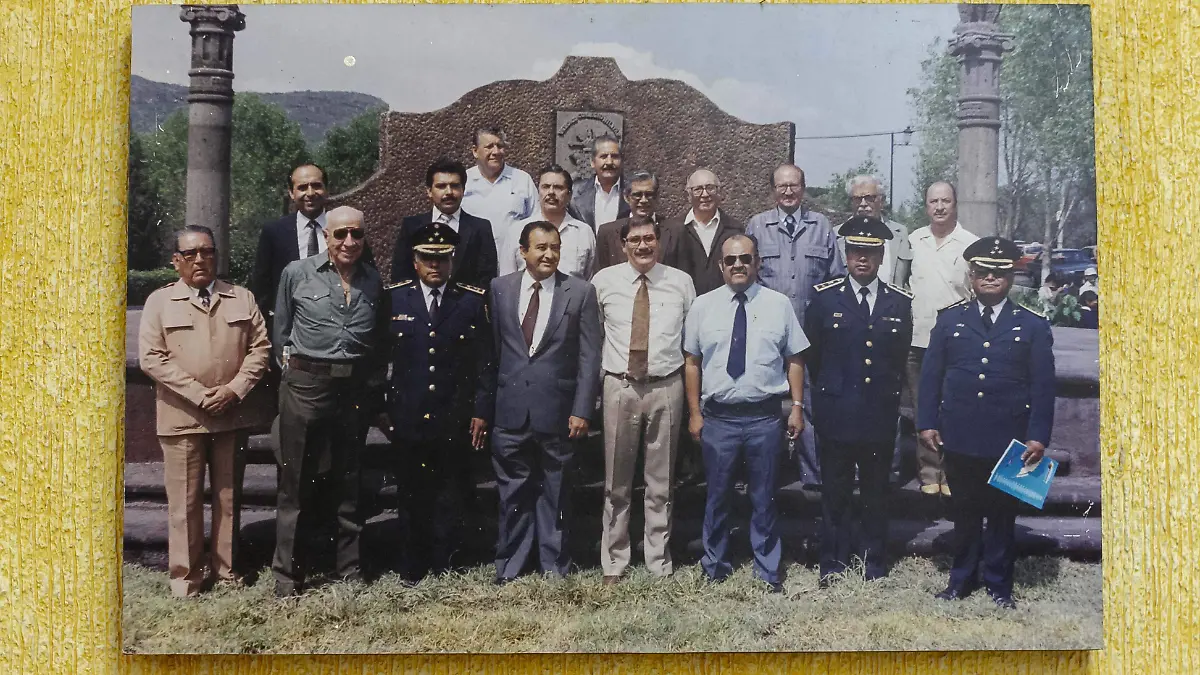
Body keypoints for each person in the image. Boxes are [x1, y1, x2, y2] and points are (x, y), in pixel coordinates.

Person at [919, 236, 1055, 609]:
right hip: (959, 435)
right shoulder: (950, 320)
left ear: (1011, 277)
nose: (991, 278)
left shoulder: (1031, 325)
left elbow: (1043, 387)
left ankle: (998, 585)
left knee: (1000, 515)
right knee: (963, 513)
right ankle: (960, 581)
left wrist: (1038, 436)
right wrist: (927, 422)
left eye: (999, 272)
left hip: (1007, 440)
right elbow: (932, 376)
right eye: (983, 271)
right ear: (972, 275)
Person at [139, 226, 271, 597]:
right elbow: (151, 357)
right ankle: (186, 580)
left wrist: (234, 389)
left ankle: (227, 574)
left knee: (229, 498)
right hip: (183, 417)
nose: (200, 260)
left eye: (207, 252)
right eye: (191, 254)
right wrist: (200, 394)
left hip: (231, 414)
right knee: (185, 503)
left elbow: (261, 348)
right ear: (176, 261)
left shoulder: (241, 297)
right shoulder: (159, 303)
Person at [271, 206, 387, 597]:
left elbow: (378, 339)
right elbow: (281, 333)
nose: (349, 243)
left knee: (349, 481)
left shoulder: (373, 280)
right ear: (326, 237)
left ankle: (349, 570)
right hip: (306, 386)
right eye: (340, 235)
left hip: (353, 390)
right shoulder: (296, 274)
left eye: (356, 234)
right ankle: (288, 577)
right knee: (297, 484)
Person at [682, 234, 806, 594]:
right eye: (731, 260)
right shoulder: (703, 306)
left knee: (764, 497)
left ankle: (767, 569)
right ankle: (715, 564)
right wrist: (694, 413)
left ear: (758, 263)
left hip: (764, 418)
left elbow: (794, 358)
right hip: (718, 418)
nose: (738, 265)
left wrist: (796, 408)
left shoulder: (778, 304)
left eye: (746, 259)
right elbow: (692, 363)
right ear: (721, 265)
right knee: (717, 495)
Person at [488, 221, 603, 583]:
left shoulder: (580, 292)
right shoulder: (500, 289)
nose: (549, 254)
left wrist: (583, 409)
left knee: (555, 491)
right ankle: (512, 565)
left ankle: (554, 566)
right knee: (513, 492)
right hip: (511, 409)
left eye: (554, 247)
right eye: (540, 248)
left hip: (557, 412)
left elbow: (589, 357)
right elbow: (495, 351)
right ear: (523, 252)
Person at [380, 222, 495, 579]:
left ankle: (447, 563)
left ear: (452, 261)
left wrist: (480, 411)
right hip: (408, 416)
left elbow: (486, 364)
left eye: (442, 259)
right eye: (427, 258)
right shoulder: (395, 298)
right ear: (414, 260)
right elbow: (379, 359)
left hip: (454, 417)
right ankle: (413, 567)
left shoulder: (471, 301)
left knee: (451, 493)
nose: (435, 266)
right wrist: (383, 409)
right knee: (412, 494)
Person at [804, 217, 912, 586]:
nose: (862, 259)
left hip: (878, 415)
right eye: (855, 252)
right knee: (834, 491)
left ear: (882, 256)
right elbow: (814, 359)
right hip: (836, 412)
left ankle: (873, 562)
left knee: (875, 492)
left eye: (870, 252)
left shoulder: (899, 302)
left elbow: (897, 361)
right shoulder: (824, 299)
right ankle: (833, 562)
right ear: (846, 255)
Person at [591, 216, 696, 584]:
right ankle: (614, 562)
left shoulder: (680, 283)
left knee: (661, 481)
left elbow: (690, 340)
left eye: (649, 238)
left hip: (666, 386)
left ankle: (657, 561)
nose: (642, 246)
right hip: (620, 387)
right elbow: (594, 336)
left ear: (659, 242)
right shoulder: (604, 282)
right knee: (615, 483)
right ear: (622, 246)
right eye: (634, 240)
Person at [745, 163, 845, 489]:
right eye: (782, 186)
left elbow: (836, 281)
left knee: (812, 407)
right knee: (767, 406)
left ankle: (814, 478)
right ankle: (766, 477)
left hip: (811, 336)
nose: (788, 192)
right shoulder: (757, 227)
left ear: (803, 188)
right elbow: (747, 279)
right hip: (767, 335)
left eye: (794, 185)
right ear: (773, 189)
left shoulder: (821, 226)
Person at [906, 181, 979, 496]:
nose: (939, 207)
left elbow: (977, 294)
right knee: (923, 409)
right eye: (933, 201)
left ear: (955, 204)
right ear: (926, 206)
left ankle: (951, 473)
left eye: (945, 201)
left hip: (955, 343)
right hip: (916, 341)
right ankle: (928, 473)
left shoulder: (971, 243)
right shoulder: (912, 241)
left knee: (952, 409)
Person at [250, 164, 375, 330]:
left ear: (326, 189)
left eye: (316, 186)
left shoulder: (346, 230)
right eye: (302, 187)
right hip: (292, 328)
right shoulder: (275, 232)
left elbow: (368, 275)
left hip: (339, 327)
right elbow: (262, 288)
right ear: (291, 193)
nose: (310, 193)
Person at [391, 157, 498, 288]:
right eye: (441, 186)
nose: (449, 192)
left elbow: (487, 278)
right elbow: (401, 275)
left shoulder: (480, 228)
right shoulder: (412, 226)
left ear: (463, 189)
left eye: (455, 186)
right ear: (429, 191)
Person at [499, 164, 596, 280]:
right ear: (538, 191)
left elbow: (590, 278)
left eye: (558, 188)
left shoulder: (584, 232)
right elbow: (506, 280)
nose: (551, 192)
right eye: (545, 187)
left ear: (569, 195)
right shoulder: (517, 230)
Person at [664, 169, 745, 296]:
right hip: (686, 305)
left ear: (719, 192)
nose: (705, 194)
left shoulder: (734, 229)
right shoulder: (673, 229)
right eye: (698, 189)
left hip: (724, 304)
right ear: (688, 195)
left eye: (710, 188)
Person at [462, 126, 538, 259]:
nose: (496, 151)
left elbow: (537, 220)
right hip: (473, 262)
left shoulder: (522, 180)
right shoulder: (464, 181)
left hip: (515, 261)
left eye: (500, 146)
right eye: (489, 146)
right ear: (475, 151)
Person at [594, 170, 680, 270]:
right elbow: (600, 275)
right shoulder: (607, 232)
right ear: (626, 197)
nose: (643, 200)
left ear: (656, 197)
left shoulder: (676, 231)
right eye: (637, 195)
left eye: (649, 194)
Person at [836, 175, 913, 287]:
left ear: (881, 201)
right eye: (857, 199)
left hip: (890, 302)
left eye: (869, 198)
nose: (863, 204)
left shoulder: (900, 234)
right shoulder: (836, 235)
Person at [568, 134, 629, 230]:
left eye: (615, 156)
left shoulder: (633, 192)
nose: (609, 162)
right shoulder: (575, 193)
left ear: (621, 161)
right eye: (603, 156)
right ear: (592, 162)